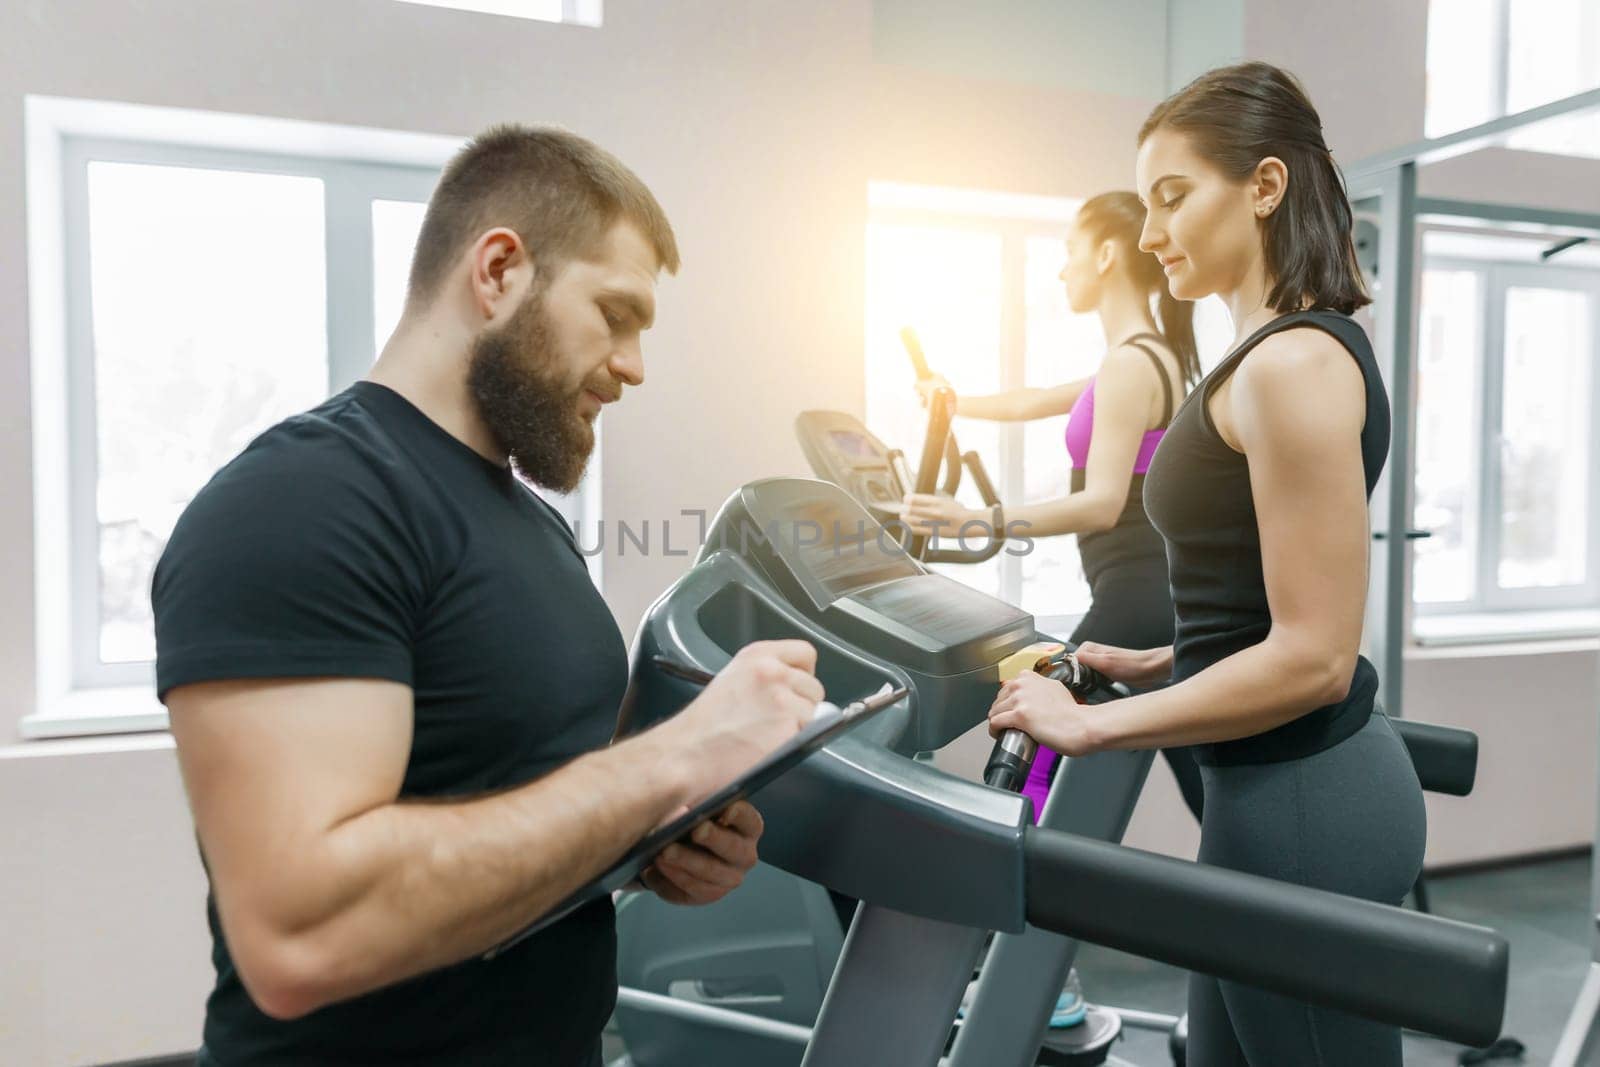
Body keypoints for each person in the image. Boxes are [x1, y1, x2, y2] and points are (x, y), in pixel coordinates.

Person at [152, 125, 822, 1067]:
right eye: (616, 314)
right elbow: (300, 935)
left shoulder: (530, 523)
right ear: (500, 271)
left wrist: (651, 849)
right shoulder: (302, 500)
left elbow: (513, 814)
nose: (636, 366)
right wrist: (666, 762)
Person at [986, 62, 1426, 1066]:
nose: (1150, 235)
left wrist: (1093, 727)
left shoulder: (1295, 363)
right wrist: (1168, 658)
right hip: (1262, 794)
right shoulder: (1262, 353)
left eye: (1171, 198)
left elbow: (1314, 658)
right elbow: (1254, 599)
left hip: (1305, 800)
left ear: (1264, 186)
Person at [903, 191, 1205, 1030]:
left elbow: (1104, 501)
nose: (1064, 267)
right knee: (1203, 789)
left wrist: (982, 520)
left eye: (1072, 250)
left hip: (1137, 604)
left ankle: (1034, 968)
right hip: (1151, 602)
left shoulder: (1134, 362)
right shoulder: (1146, 356)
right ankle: (1275, 936)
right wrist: (951, 401)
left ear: (1108, 253)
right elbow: (1038, 397)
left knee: (1030, 748)